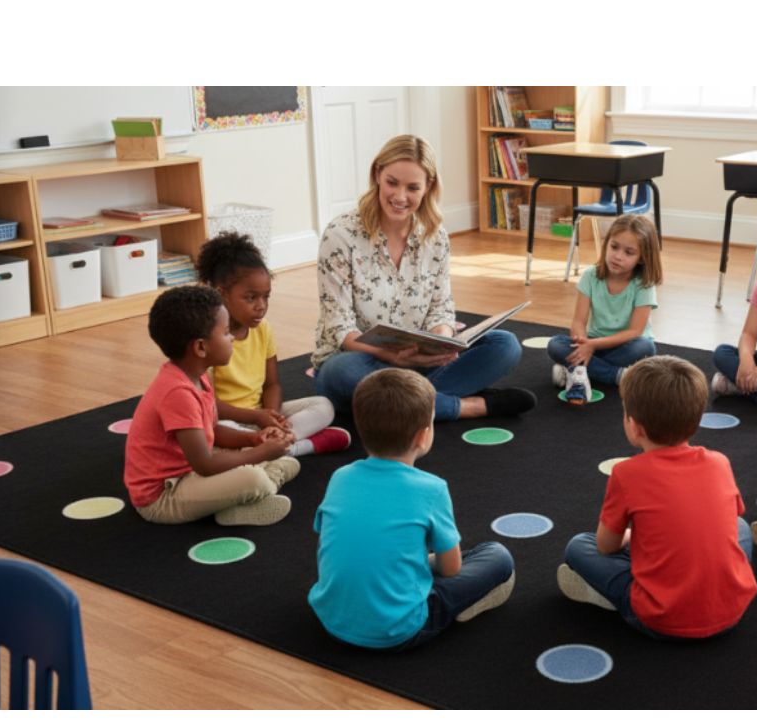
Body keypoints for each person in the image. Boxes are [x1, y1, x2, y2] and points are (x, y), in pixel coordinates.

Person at [312, 133, 536, 422]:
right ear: (377, 174)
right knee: (339, 374)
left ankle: (401, 405)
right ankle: (469, 407)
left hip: (420, 364)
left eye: (412, 187)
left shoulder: (435, 236)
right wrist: (392, 357)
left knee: (505, 345)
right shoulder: (340, 235)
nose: (400, 197)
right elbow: (340, 329)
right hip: (363, 361)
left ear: (428, 186)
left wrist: (443, 345)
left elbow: (440, 309)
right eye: (392, 182)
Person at [308, 368, 516, 651]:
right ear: (422, 436)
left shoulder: (340, 476)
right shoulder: (431, 488)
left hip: (330, 619)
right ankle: (461, 605)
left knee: (394, 556)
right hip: (399, 630)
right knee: (498, 556)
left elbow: (333, 541)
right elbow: (451, 568)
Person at [556, 355, 757, 639]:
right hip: (733, 610)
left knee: (579, 547)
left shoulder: (626, 473)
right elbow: (728, 518)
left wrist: (629, 538)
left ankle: (612, 597)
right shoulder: (720, 461)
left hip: (659, 619)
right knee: (741, 528)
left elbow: (605, 545)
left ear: (635, 427)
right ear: (697, 420)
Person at [124, 285, 300, 526]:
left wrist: (255, 440)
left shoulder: (198, 376)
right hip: (163, 497)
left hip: (188, 471)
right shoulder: (178, 392)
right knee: (252, 477)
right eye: (226, 333)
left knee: (271, 460)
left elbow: (213, 431)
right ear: (200, 347)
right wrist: (261, 453)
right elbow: (205, 464)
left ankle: (240, 501)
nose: (232, 339)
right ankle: (253, 493)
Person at [197, 231, 351, 456]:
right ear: (222, 294)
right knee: (210, 435)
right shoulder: (206, 339)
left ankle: (271, 446)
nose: (261, 306)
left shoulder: (263, 329)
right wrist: (256, 419)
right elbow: (208, 405)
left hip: (260, 415)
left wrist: (270, 416)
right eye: (251, 298)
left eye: (266, 297)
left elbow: (272, 385)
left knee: (323, 406)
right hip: (226, 420)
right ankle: (298, 447)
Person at [547, 214, 662, 405]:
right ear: (606, 243)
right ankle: (618, 376)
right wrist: (582, 343)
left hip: (626, 345)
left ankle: (576, 370)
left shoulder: (644, 284)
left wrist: (592, 347)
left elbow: (635, 332)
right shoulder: (591, 276)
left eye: (629, 252)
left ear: (642, 258)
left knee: (646, 348)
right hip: (593, 342)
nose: (617, 256)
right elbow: (578, 321)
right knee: (555, 344)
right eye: (614, 247)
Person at [711, 274, 757, 405]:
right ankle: (751, 385)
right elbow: (749, 334)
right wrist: (746, 360)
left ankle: (741, 386)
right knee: (722, 353)